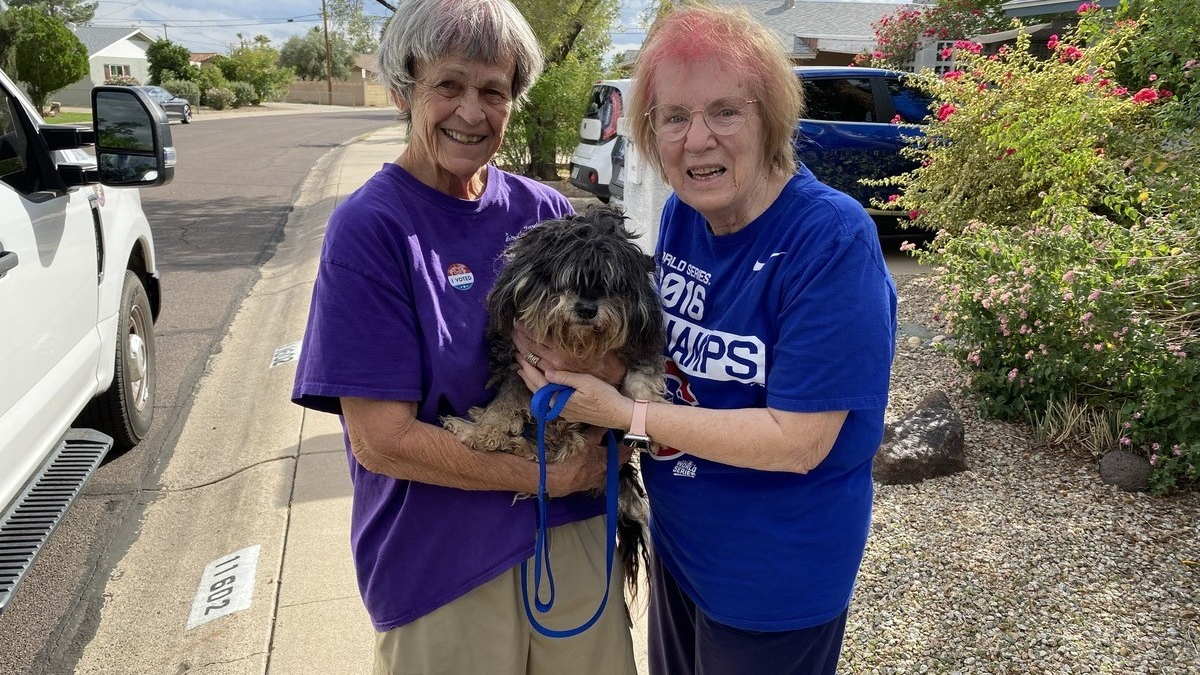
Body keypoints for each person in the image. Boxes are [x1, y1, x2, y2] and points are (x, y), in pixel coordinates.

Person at [513, 5, 898, 674]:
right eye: (674, 117)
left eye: (725, 112)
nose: (697, 140)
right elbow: (665, 351)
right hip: (684, 555)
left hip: (770, 583)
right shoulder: (687, 215)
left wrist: (623, 415)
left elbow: (799, 441)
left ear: (769, 119)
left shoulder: (829, 241)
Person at [290, 0, 636, 672]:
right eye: (448, 85)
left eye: (493, 91)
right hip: (441, 562)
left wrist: (596, 432)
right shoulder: (373, 228)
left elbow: (620, 354)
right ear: (403, 88)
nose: (472, 112)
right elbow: (382, 441)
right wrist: (547, 479)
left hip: (573, 542)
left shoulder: (545, 211)